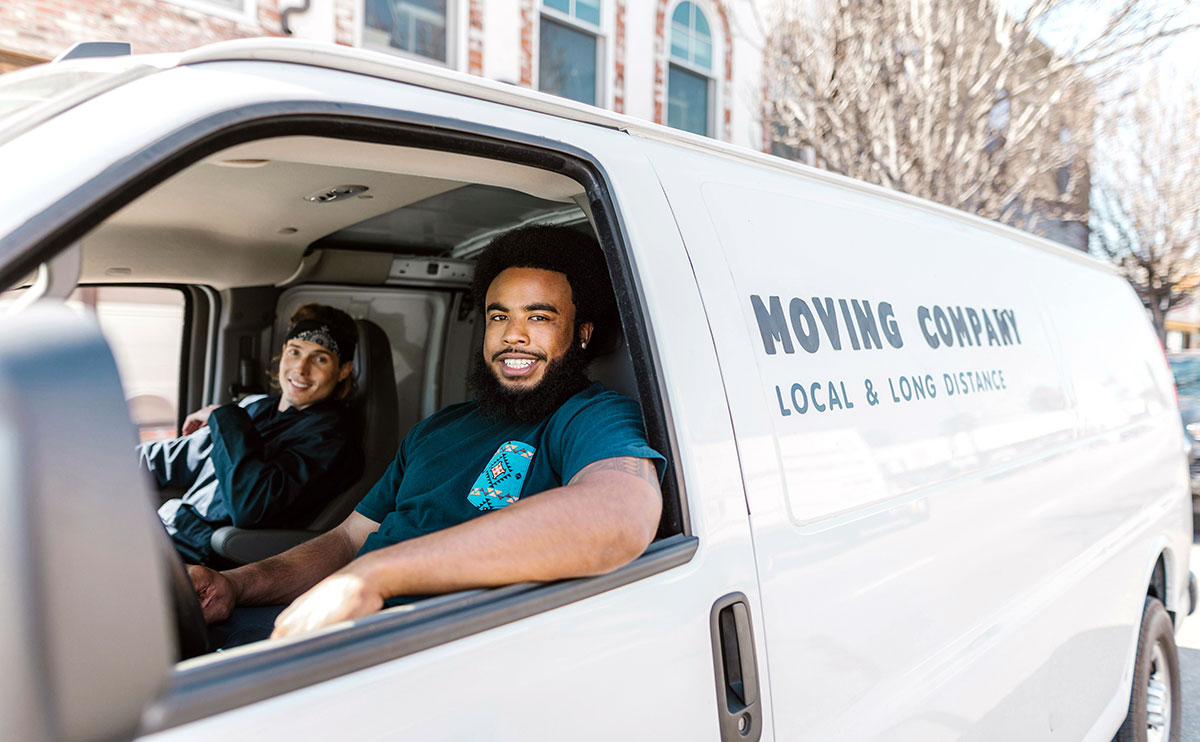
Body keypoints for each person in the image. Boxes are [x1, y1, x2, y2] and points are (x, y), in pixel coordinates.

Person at [188, 224, 665, 645]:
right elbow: (349, 540)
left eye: (539, 317)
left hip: (414, 647)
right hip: (320, 621)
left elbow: (621, 516)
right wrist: (236, 585)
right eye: (500, 316)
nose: (513, 335)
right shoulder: (438, 427)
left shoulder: (591, 416)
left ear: (581, 333)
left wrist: (374, 577)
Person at [143, 303, 364, 567]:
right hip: (164, 530)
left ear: (343, 370)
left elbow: (251, 505)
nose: (301, 369)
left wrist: (224, 416)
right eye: (295, 352)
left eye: (320, 358)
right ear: (283, 353)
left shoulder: (331, 440)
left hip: (201, 556)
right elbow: (170, 460)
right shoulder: (257, 407)